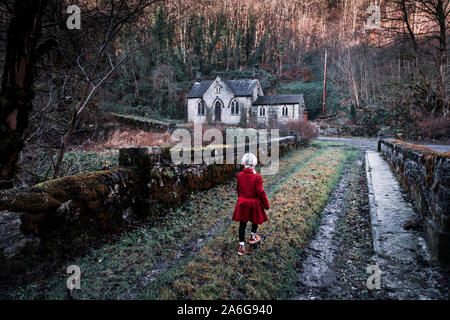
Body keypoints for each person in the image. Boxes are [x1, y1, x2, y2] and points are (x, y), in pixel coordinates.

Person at [232, 152, 270, 256]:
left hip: (243, 202)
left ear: (244, 163)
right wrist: (266, 204)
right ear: (254, 164)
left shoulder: (240, 176)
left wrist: (241, 198)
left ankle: (241, 247)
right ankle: (253, 237)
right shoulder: (257, 177)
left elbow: (238, 189)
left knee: (242, 225)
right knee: (255, 219)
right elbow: (260, 192)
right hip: (253, 202)